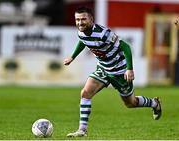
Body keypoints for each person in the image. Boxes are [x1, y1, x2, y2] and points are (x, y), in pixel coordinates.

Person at [63, 7, 162, 137]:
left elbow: (125, 46)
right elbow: (83, 41)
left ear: (91, 20)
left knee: (130, 103)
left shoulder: (104, 33)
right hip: (103, 69)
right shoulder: (81, 32)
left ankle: (154, 103)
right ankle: (82, 130)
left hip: (120, 72)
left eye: (83, 19)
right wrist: (72, 57)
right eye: (77, 19)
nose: (80, 22)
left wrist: (129, 69)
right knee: (85, 93)